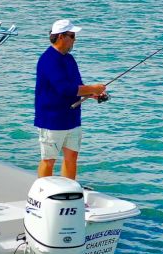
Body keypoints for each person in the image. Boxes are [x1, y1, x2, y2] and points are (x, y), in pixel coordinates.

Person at [34, 19, 107, 180]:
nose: (75, 39)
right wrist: (94, 88)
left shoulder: (69, 59)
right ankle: (43, 193)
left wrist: (93, 94)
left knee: (71, 158)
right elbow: (65, 89)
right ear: (61, 37)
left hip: (72, 119)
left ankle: (67, 192)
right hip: (51, 121)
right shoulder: (49, 60)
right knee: (48, 161)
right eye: (72, 36)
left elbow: (77, 86)